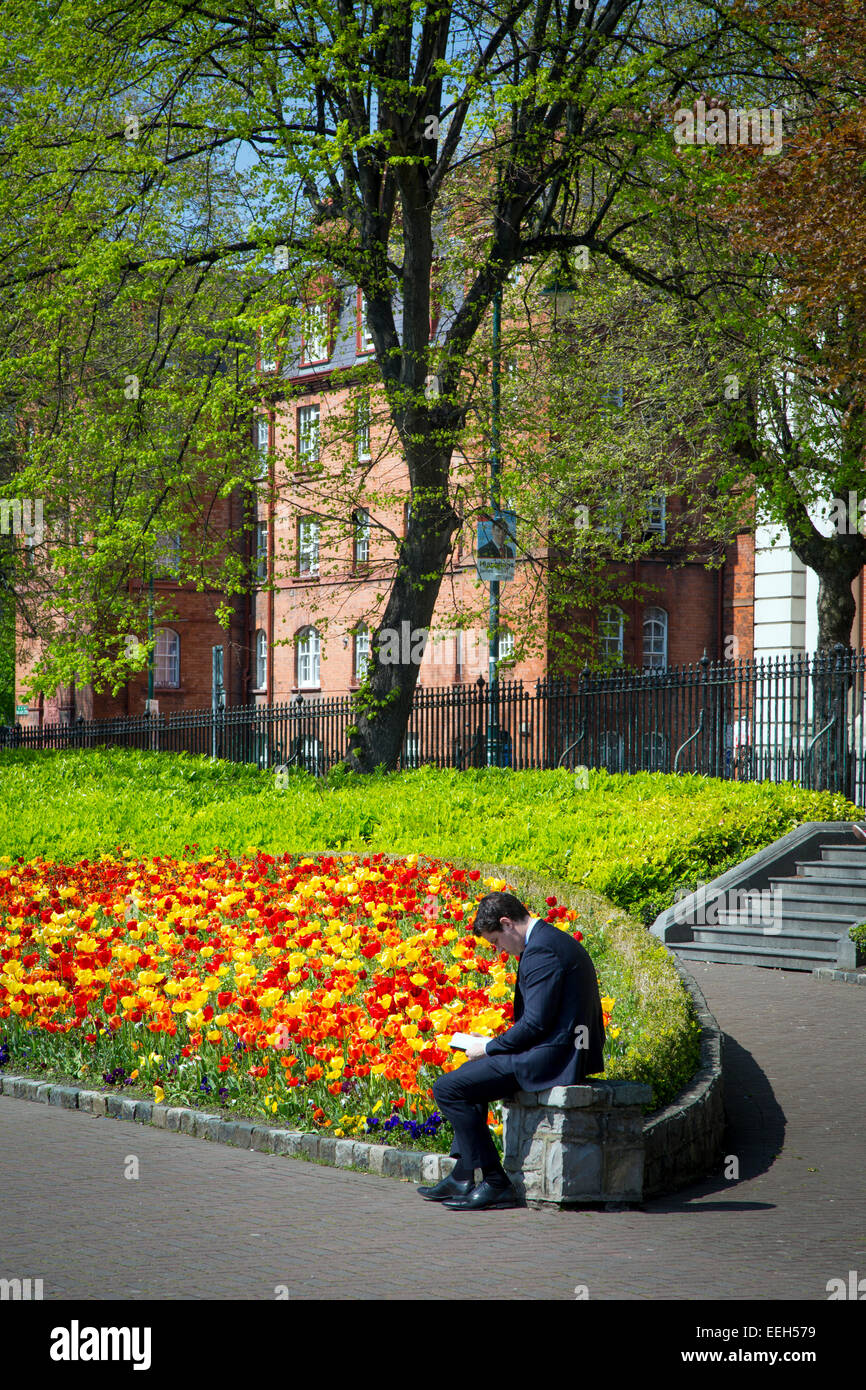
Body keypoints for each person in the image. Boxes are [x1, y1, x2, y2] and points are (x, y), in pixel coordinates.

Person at [418, 890, 606, 1211]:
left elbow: (534, 1025)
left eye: (495, 941)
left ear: (507, 924)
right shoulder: (548, 941)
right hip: (558, 1047)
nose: (497, 951)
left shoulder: (542, 952)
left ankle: (495, 1182)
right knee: (466, 1078)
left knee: (448, 1088)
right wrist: (490, 1046)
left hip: (555, 1056)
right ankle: (463, 1174)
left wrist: (488, 1046)